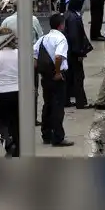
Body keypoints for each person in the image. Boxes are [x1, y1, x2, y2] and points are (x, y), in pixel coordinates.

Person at [32, 13, 75, 147]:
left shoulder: (43, 38)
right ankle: (58, 137)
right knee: (57, 107)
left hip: (45, 77)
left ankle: (46, 135)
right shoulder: (61, 38)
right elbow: (58, 57)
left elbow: (34, 56)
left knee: (47, 105)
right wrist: (57, 72)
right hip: (57, 76)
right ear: (61, 25)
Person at [0, 27, 21, 156]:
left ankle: (8, 142)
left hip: (3, 92)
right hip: (19, 92)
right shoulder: (20, 53)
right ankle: (18, 148)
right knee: (16, 121)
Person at [62, 0, 91, 108]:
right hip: (73, 52)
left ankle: (66, 100)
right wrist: (79, 52)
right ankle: (80, 102)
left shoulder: (67, 15)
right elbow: (75, 37)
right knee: (78, 77)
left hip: (67, 51)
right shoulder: (74, 18)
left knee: (69, 77)